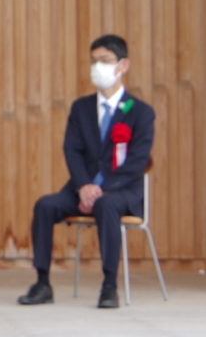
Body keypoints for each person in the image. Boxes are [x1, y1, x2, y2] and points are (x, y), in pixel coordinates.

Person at [20, 34, 154, 309]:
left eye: (105, 60)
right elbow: (72, 150)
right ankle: (42, 282)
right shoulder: (81, 108)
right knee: (45, 205)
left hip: (122, 191)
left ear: (123, 65)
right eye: (93, 61)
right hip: (82, 188)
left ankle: (109, 286)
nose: (97, 67)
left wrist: (101, 189)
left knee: (106, 205)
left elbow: (138, 161)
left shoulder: (140, 112)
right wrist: (83, 186)